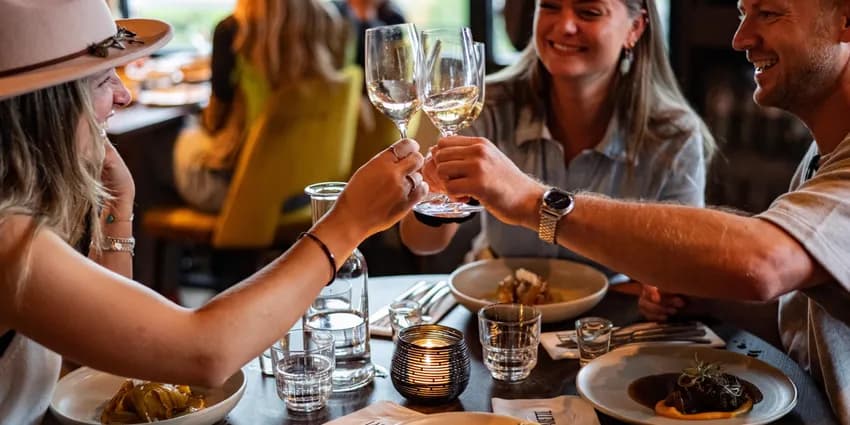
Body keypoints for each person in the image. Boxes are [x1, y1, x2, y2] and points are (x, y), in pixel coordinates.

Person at [423, 0, 850, 421]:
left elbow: (764, 264)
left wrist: (536, 204)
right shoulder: (822, 156)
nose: (740, 39)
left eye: (769, 13)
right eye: (742, 13)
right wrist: (697, 291)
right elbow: (796, 312)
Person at [0, 2, 426, 423]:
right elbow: (204, 351)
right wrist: (347, 222)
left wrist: (119, 206)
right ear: (46, 109)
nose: (124, 94)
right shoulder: (9, 240)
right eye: (102, 80)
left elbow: (99, 344)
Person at [400, 0, 715, 276]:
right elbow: (420, 243)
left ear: (635, 27)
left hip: (613, 315)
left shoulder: (674, 136)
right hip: (498, 307)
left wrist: (661, 294)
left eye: (589, 12)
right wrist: (435, 197)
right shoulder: (487, 105)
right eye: (549, 6)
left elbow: (687, 263)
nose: (565, 26)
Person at [172, 0, 349, 212]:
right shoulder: (330, 20)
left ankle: (148, 227)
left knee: (176, 137)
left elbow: (215, 121)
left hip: (250, 193)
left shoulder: (234, 30)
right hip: (314, 188)